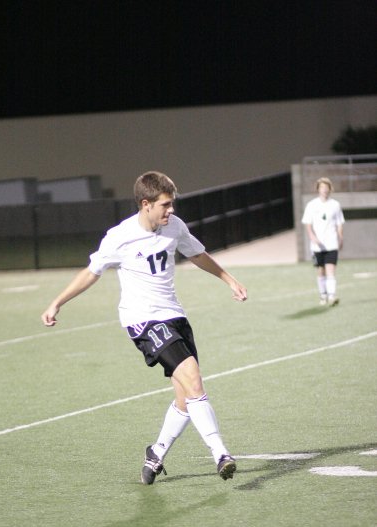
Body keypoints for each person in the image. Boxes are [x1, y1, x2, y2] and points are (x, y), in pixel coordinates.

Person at [41, 171, 248, 484]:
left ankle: (156, 453)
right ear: (146, 203)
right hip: (143, 320)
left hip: (175, 316)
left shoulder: (174, 227)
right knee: (194, 381)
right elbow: (91, 272)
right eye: (165, 205)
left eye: (172, 204)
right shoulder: (120, 236)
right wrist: (57, 302)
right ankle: (220, 453)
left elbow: (198, 254)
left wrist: (229, 280)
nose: (171, 210)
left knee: (184, 398)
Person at [302, 177, 345, 306]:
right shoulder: (311, 205)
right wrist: (312, 237)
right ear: (318, 189)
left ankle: (332, 296)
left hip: (331, 243)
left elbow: (339, 223)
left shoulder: (335, 205)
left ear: (330, 189)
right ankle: (323, 295)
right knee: (321, 270)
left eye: (326, 188)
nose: (324, 190)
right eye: (322, 187)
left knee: (331, 269)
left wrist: (340, 237)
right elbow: (307, 223)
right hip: (317, 246)